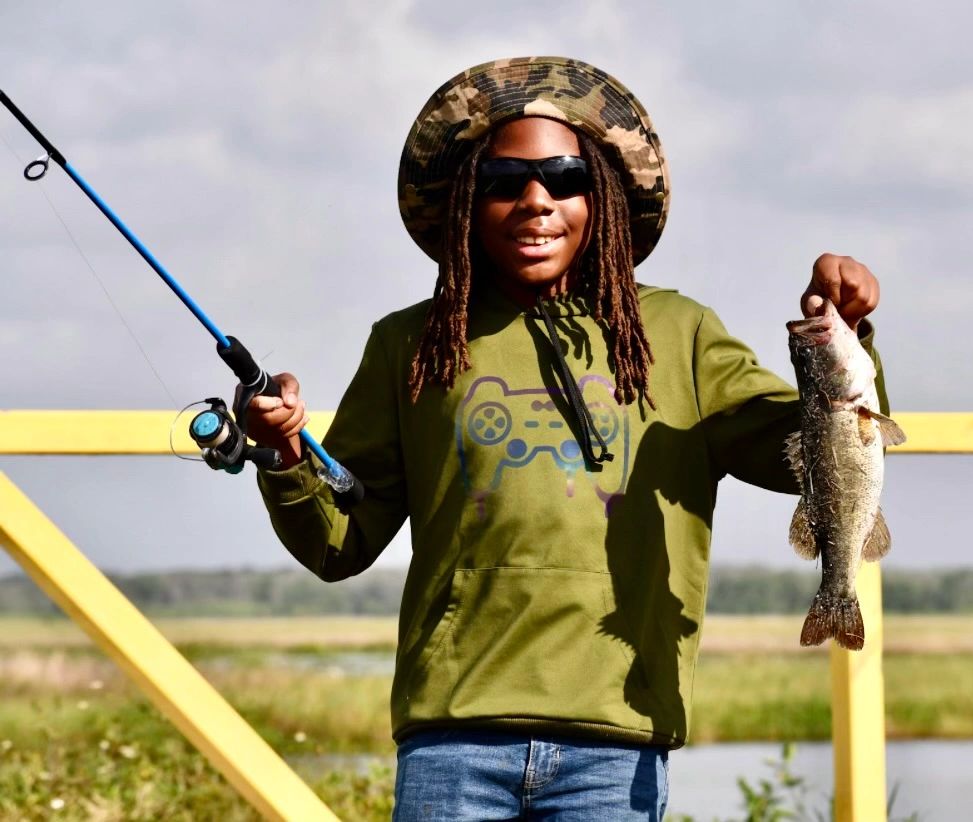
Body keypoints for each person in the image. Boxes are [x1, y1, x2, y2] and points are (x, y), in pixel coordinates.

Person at [246, 56, 887, 821]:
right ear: (465, 201)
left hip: (616, 742)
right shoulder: (409, 345)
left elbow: (813, 454)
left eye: (564, 177)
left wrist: (846, 333)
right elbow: (338, 543)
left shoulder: (679, 333)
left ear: (603, 196)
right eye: (503, 180)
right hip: (454, 736)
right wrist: (283, 453)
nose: (535, 201)